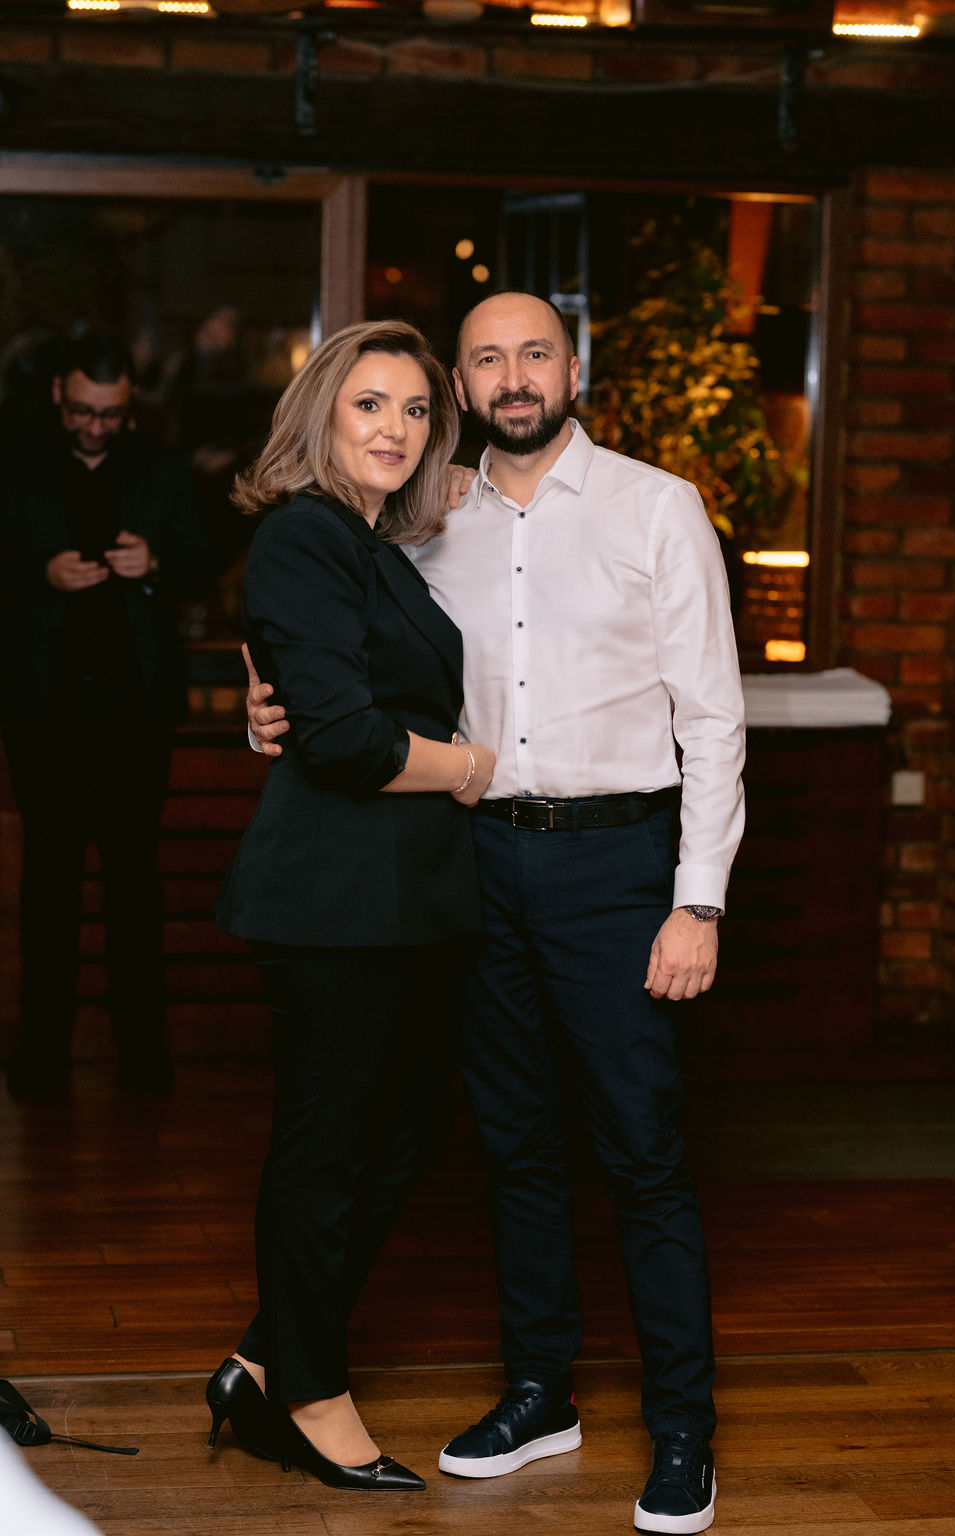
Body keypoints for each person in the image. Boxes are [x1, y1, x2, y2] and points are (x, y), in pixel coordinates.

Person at [248, 291, 745, 1533]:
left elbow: (712, 716)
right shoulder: (427, 522)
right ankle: (539, 1392)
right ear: (466, 390)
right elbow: (346, 664)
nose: (512, 376)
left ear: (572, 368)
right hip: (468, 867)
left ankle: (683, 1427)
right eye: (485, 360)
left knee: (642, 1151)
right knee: (514, 1146)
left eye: (535, 352)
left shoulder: (656, 506)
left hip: (616, 864)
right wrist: (267, 708)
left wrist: (696, 900)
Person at [208, 321, 495, 1493]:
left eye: (417, 410)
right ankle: (310, 1394)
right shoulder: (303, 534)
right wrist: (470, 768)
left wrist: (467, 481)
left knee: (406, 1131)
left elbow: (334, 688)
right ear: (321, 411)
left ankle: (265, 1356)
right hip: (334, 900)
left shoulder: (370, 543)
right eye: (369, 404)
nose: (395, 428)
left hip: (401, 900)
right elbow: (341, 739)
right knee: (326, 1147)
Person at [0, 331, 211, 1099]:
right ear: (60, 394)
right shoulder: (16, 464)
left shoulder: (161, 467)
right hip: (44, 710)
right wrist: (39, 573)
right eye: (85, 411)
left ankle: (143, 1056)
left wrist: (154, 565)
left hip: (134, 712)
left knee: (134, 884)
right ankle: (42, 1059)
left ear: (130, 406)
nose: (97, 426)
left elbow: (200, 561)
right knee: (49, 885)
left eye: (112, 414)